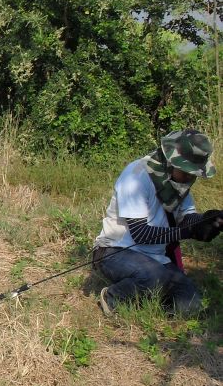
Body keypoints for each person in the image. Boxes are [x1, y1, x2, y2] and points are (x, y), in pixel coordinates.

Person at [93, 129, 222, 316]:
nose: (190, 178)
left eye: (194, 174)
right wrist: (189, 231)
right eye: (187, 172)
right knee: (154, 277)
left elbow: (186, 219)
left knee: (190, 304)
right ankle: (114, 296)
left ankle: (145, 299)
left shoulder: (179, 182)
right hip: (116, 251)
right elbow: (140, 234)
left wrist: (207, 220)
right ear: (171, 162)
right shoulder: (136, 177)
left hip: (155, 258)